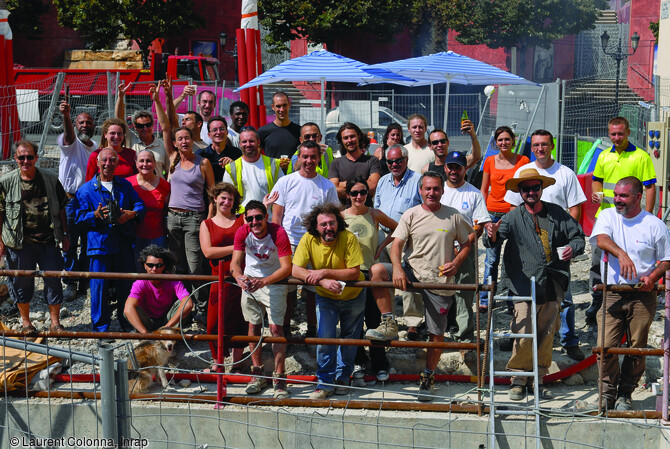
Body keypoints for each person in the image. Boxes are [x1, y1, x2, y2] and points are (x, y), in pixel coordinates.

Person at [368, 172, 473, 401]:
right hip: (412, 273)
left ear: (442, 191)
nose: (432, 193)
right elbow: (397, 245)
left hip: (439, 282)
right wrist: (396, 268)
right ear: (420, 191)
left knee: (437, 336)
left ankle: (428, 376)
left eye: (436, 189)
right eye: (428, 189)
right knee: (377, 271)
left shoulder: (454, 216)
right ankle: (389, 321)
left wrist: (456, 262)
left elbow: (468, 241)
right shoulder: (411, 214)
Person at [484, 168, 585, 401]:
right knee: (523, 330)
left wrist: (573, 248)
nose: (531, 192)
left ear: (541, 189)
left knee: (547, 332)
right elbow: (495, 238)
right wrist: (492, 233)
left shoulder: (558, 213)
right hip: (522, 284)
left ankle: (538, 378)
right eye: (526, 188)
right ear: (519, 191)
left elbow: (577, 236)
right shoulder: (513, 216)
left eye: (535, 188)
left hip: (553, 281)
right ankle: (519, 379)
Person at [504, 129, 587, 361]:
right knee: (522, 298)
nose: (540, 149)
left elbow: (575, 208)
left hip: (557, 246)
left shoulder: (565, 173)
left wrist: (569, 240)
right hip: (527, 247)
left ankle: (569, 340)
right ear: (531, 147)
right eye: (536, 145)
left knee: (563, 295)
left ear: (552, 146)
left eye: (544, 144)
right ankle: (520, 347)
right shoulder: (523, 172)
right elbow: (512, 209)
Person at [590, 176, 670, 411]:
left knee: (637, 349)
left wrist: (653, 277)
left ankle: (625, 394)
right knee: (605, 347)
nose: (617, 200)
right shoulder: (607, 216)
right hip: (612, 292)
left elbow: (666, 259)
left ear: (638, 197)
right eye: (615, 195)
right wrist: (622, 254)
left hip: (642, 294)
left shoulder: (654, 224)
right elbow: (602, 239)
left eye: (623, 196)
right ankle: (606, 395)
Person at [587, 116, 658, 323]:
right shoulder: (603, 156)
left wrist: (649, 215)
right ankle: (597, 300)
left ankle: (634, 297)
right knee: (597, 261)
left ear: (628, 132)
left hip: (631, 218)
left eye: (620, 133)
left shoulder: (641, 156)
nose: (616, 137)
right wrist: (596, 194)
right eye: (613, 134)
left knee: (633, 257)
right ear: (608, 134)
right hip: (606, 217)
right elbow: (596, 181)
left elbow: (650, 186)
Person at [292, 203, 366, 399]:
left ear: (338, 223)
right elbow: (295, 269)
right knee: (325, 339)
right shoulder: (309, 238)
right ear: (316, 227)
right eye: (323, 224)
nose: (328, 228)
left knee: (350, 339)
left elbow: (354, 272)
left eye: (331, 223)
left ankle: (343, 377)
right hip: (325, 297)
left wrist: (324, 272)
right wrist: (323, 281)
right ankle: (325, 382)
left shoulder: (348, 237)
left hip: (353, 297)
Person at [71, 148, 145, 332]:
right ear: (97, 162)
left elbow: (139, 204)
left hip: (123, 244)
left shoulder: (125, 185)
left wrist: (131, 214)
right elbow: (77, 217)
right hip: (99, 246)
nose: (108, 164)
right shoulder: (86, 190)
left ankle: (127, 324)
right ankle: (101, 329)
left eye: (112, 160)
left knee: (126, 286)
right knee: (99, 288)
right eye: (104, 160)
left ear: (117, 163)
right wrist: (94, 215)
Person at [271, 140, 339, 337]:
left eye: (313, 157)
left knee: (314, 289)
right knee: (287, 290)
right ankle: (285, 330)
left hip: (316, 244)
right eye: (305, 157)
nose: (309, 161)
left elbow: (333, 217)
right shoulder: (285, 182)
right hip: (289, 243)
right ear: (298, 158)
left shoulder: (327, 186)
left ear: (319, 159)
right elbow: (277, 216)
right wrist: (278, 243)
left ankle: (312, 330)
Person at [0, 141, 69, 333]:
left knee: (54, 281)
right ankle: (26, 324)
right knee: (20, 281)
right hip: (19, 242)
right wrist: (0, 243)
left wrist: (65, 234)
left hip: (50, 240)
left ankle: (55, 324)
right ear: (15, 159)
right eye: (21, 157)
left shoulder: (51, 179)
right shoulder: (5, 182)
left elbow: (62, 208)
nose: (25, 160)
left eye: (29, 156)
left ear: (36, 158)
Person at [230, 200, 292, 398]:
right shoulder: (242, 232)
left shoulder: (278, 232)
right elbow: (235, 263)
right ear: (245, 219)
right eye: (250, 218)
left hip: (273, 281)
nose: (254, 221)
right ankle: (258, 373)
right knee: (253, 326)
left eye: (258, 217)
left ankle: (280, 377)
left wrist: (264, 281)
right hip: (250, 281)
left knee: (276, 329)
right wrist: (239, 278)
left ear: (266, 216)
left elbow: (286, 267)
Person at [343, 178, 396, 381]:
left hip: (371, 273)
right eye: (355, 193)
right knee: (353, 322)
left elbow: (397, 229)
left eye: (363, 192)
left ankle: (380, 363)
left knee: (375, 322)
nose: (359, 196)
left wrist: (382, 247)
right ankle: (358, 362)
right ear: (348, 195)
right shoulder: (341, 217)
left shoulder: (374, 214)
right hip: (351, 274)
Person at [440, 151, 490, 343]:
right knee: (436, 291)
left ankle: (464, 334)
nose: (454, 171)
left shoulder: (474, 193)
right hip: (439, 248)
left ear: (465, 169)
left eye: (457, 167)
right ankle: (436, 333)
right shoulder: (438, 190)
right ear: (445, 168)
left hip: (465, 250)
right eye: (450, 166)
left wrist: (463, 246)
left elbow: (480, 226)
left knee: (464, 292)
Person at [373, 144, 422, 340]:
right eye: (390, 161)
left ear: (406, 160)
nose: (394, 164)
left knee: (409, 277)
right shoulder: (383, 181)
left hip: (408, 237)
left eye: (398, 160)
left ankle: (413, 323)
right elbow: (376, 208)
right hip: (384, 235)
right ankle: (389, 320)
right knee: (383, 276)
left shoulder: (418, 180)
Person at [479, 126, 530, 311]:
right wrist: (483, 215)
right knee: (491, 259)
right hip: (492, 213)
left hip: (514, 214)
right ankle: (485, 299)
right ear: (495, 142)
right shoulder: (490, 161)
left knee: (513, 259)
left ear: (513, 141)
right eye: (500, 140)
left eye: (507, 139)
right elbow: (484, 189)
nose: (504, 143)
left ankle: (511, 300)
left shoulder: (523, 160)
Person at [167, 127, 215, 319]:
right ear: (175, 143)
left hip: (195, 219)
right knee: (177, 266)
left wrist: (209, 219)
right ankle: (182, 309)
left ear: (192, 140)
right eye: (180, 138)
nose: (184, 141)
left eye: (187, 138)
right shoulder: (172, 160)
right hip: (172, 218)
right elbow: (164, 125)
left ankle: (202, 310)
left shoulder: (202, 162)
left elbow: (212, 193)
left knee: (195, 266)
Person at [199, 182, 247, 370]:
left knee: (239, 320)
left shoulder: (241, 220)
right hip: (217, 277)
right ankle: (217, 361)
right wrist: (236, 247)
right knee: (213, 323)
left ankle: (237, 364)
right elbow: (208, 252)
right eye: (223, 198)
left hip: (239, 276)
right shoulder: (207, 224)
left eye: (230, 199)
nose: (226, 202)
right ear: (215, 199)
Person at [57, 98, 96, 301]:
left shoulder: (95, 147)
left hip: (89, 202)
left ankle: (84, 280)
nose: (84, 126)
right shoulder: (69, 142)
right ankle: (70, 282)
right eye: (80, 122)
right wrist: (66, 116)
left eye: (88, 123)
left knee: (89, 243)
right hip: (71, 201)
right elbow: (70, 136)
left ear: (93, 126)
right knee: (70, 242)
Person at [124, 245, 193, 333]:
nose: (154, 269)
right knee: (131, 307)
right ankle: (146, 333)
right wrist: (145, 334)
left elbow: (189, 304)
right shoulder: (140, 283)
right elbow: (128, 309)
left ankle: (167, 332)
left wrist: (166, 327)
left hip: (168, 320)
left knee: (183, 303)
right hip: (147, 321)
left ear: (164, 266)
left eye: (159, 265)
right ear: (145, 266)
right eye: (150, 265)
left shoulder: (173, 280)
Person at [127, 150, 171, 269]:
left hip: (158, 237)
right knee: (137, 272)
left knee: (157, 272)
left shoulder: (165, 186)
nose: (145, 164)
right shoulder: (128, 184)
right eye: (141, 161)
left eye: (149, 161)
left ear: (155, 163)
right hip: (135, 238)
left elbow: (167, 211)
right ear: (136, 163)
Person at [116, 82, 170, 178]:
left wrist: (156, 100)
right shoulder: (131, 140)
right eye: (141, 126)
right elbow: (119, 120)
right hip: (136, 189)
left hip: (157, 190)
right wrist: (120, 98)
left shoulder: (162, 144)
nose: (145, 128)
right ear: (135, 127)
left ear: (152, 125)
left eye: (148, 125)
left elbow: (168, 171)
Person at [222, 128, 283, 209]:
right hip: (243, 218)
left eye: (251, 141)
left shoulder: (274, 164)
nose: (248, 144)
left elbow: (282, 193)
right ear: (239, 144)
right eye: (244, 142)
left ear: (258, 142)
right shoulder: (231, 168)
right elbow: (226, 196)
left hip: (268, 218)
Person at [329, 122, 382, 202]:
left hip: (367, 212)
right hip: (343, 212)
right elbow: (334, 190)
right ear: (342, 140)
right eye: (345, 138)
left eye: (352, 136)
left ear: (358, 136)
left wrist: (344, 185)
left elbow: (372, 187)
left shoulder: (372, 161)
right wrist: (363, 187)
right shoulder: (336, 163)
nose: (349, 140)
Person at [258, 91, 299, 171]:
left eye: (284, 105)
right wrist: (275, 163)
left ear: (289, 105)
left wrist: (292, 163)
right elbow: (256, 157)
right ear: (273, 107)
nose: (282, 109)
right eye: (278, 106)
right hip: (272, 178)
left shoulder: (299, 131)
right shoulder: (263, 132)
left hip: (293, 178)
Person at [197, 116, 242, 181]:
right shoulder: (202, 154)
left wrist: (233, 165)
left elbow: (243, 175)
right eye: (214, 130)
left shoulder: (236, 153)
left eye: (221, 129)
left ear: (227, 132)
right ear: (209, 135)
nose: (218, 132)